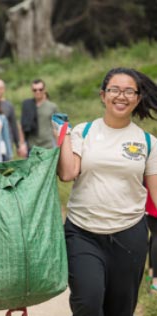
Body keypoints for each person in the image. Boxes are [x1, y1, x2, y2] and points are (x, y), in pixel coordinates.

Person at [56, 67, 157, 316]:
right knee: (87, 303)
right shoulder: (83, 131)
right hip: (82, 233)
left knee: (120, 310)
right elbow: (68, 174)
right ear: (103, 95)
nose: (121, 96)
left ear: (138, 98)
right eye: (114, 90)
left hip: (129, 236)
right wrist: (62, 136)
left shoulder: (148, 142)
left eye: (128, 91)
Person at [21, 79, 58, 154]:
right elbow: (22, 126)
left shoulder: (52, 107)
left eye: (40, 89)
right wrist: (22, 144)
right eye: (35, 90)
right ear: (32, 91)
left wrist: (59, 145)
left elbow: (56, 128)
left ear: (44, 90)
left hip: (48, 146)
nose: (38, 92)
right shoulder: (27, 105)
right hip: (32, 147)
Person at [0, 79, 27, 158]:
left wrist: (18, 144)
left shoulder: (8, 105)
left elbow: (13, 125)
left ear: (3, 89)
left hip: (6, 141)